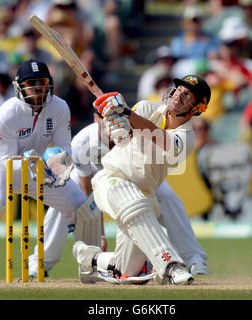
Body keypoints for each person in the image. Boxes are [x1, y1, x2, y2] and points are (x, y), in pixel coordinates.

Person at [0, 59, 100, 282]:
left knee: (86, 209)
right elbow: (8, 162)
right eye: (31, 83)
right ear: (19, 87)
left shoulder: (59, 107)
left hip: (39, 168)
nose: (37, 87)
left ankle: (92, 269)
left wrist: (55, 163)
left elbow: (65, 147)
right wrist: (35, 163)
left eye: (42, 82)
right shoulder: (7, 113)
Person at [28, 111, 209, 277]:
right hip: (96, 180)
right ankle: (40, 262)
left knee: (167, 196)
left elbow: (145, 168)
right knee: (65, 194)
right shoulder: (83, 142)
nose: (108, 122)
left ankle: (194, 258)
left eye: (112, 116)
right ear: (95, 119)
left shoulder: (132, 132)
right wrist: (100, 235)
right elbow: (87, 190)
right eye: (103, 117)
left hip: (131, 175)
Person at [72, 74, 211, 285]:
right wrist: (114, 118)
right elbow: (121, 136)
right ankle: (170, 265)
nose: (178, 96)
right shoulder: (146, 107)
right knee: (135, 203)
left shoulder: (187, 138)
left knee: (127, 270)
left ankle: (88, 258)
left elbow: (161, 139)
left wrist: (126, 114)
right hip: (112, 179)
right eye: (178, 91)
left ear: (198, 108)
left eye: (187, 95)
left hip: (144, 193)